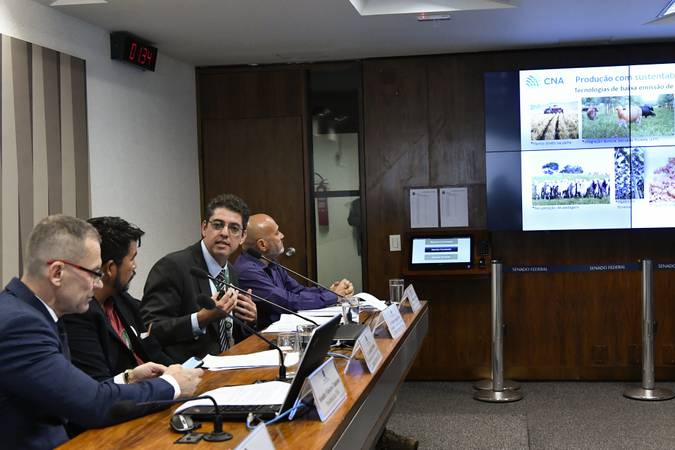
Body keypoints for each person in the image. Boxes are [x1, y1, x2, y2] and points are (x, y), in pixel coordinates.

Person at [0, 215, 203, 450]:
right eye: (94, 273)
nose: (98, 284)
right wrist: (171, 384)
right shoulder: (20, 325)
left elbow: (72, 393)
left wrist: (128, 378)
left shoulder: (35, 313)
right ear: (57, 273)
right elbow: (92, 404)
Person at [141, 193, 257, 363]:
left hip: (227, 364)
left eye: (234, 228)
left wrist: (249, 319)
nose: (225, 233)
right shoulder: (173, 266)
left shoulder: (230, 271)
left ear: (243, 237)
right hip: (187, 370)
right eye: (218, 225)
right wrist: (201, 319)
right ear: (204, 228)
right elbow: (151, 330)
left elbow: (230, 331)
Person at [62, 217, 173, 381]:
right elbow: (100, 383)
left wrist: (180, 373)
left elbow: (153, 352)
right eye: (132, 258)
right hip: (136, 393)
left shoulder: (123, 300)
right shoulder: (78, 315)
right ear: (110, 268)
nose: (135, 266)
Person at [234, 213, 354, 329]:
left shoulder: (270, 261)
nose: (282, 236)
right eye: (277, 233)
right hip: (263, 336)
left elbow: (298, 290)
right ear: (262, 245)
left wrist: (329, 292)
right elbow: (288, 302)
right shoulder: (247, 271)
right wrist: (333, 296)